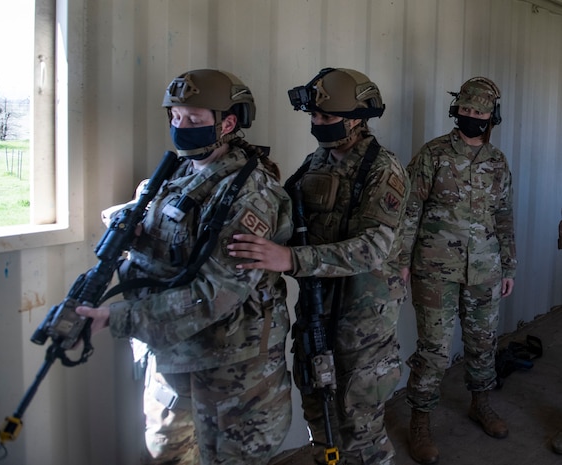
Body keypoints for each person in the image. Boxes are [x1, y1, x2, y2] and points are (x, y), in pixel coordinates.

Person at [76, 69, 293, 465]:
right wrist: (126, 221)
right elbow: (155, 213)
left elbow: (215, 296)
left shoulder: (251, 194)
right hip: (171, 352)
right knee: (166, 452)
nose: (180, 128)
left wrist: (114, 318)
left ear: (227, 123)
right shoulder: (178, 171)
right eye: (175, 118)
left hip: (230, 366)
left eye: (193, 120)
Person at [227, 67, 410, 465]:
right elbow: (289, 213)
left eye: (328, 117)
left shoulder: (384, 169)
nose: (318, 124)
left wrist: (291, 259)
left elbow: (373, 249)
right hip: (317, 308)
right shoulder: (318, 161)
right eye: (314, 116)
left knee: (359, 426)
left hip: (362, 320)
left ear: (358, 120)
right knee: (319, 409)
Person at [399, 76, 517, 464]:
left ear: (491, 116)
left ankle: (480, 403)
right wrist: (401, 261)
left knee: (483, 343)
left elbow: (503, 215)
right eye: (466, 110)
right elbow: (409, 212)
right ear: (457, 111)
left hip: (485, 268)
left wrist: (508, 266)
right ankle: (420, 421)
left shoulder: (497, 162)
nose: (472, 117)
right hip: (435, 268)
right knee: (433, 350)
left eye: (480, 112)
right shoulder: (433, 154)